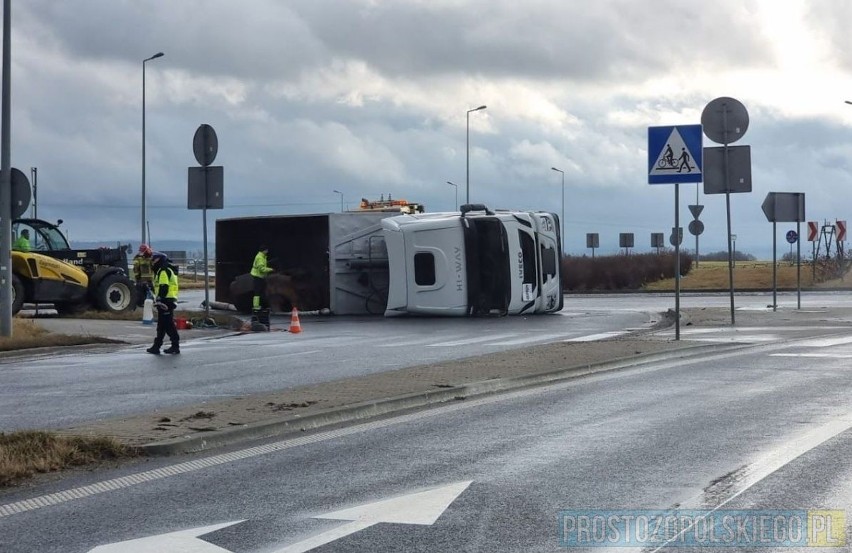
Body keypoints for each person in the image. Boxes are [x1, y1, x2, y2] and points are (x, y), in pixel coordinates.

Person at [146, 252, 180, 355]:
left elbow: (164, 286)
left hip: (166, 301)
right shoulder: (165, 269)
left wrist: (160, 299)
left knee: (169, 325)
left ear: (159, 260)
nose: (152, 262)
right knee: (161, 325)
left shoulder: (163, 270)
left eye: (154, 260)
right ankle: (156, 346)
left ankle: (175, 346)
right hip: (168, 300)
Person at [250, 244, 274, 312]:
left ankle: (260, 306)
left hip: (260, 277)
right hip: (258, 277)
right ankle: (256, 307)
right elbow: (262, 269)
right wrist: (270, 269)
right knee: (257, 292)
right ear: (264, 250)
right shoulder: (260, 258)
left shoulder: (262, 256)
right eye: (266, 250)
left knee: (260, 292)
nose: (267, 251)